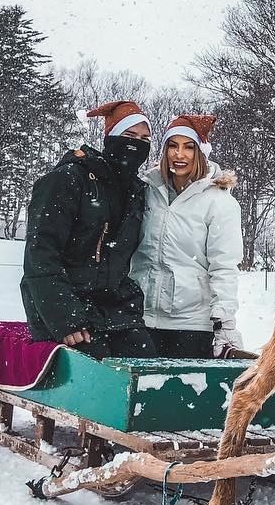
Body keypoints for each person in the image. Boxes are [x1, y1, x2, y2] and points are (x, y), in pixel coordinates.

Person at [21, 100, 157, 359]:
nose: (136, 144)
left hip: (112, 309)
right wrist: (64, 315)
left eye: (144, 138)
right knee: (97, 379)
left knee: (147, 369)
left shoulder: (136, 193)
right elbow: (40, 254)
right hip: (63, 308)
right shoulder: (69, 179)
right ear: (110, 137)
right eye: (128, 135)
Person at [131, 114, 244, 359]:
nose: (179, 155)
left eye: (188, 147)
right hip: (141, 321)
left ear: (200, 153)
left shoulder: (219, 203)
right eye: (173, 146)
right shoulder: (147, 191)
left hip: (190, 325)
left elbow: (224, 267)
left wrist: (224, 323)